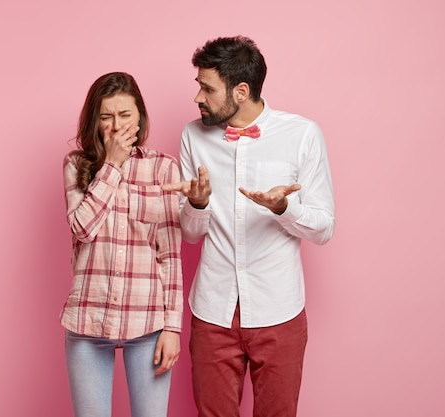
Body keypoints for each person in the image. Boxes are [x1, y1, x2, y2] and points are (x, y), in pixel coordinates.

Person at [163, 36, 335, 417]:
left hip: (280, 310)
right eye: (198, 86)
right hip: (213, 311)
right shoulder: (193, 136)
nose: (198, 98)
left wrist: (284, 208)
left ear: (241, 91)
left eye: (207, 88)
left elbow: (324, 227)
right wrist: (198, 202)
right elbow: (191, 234)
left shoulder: (302, 135)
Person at [60, 72, 183, 417]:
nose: (116, 126)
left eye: (125, 115)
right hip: (88, 318)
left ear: (140, 117)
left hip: (146, 322)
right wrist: (112, 165)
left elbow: (170, 255)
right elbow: (82, 228)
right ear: (94, 121)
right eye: (106, 116)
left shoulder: (163, 168)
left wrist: (172, 327)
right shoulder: (76, 165)